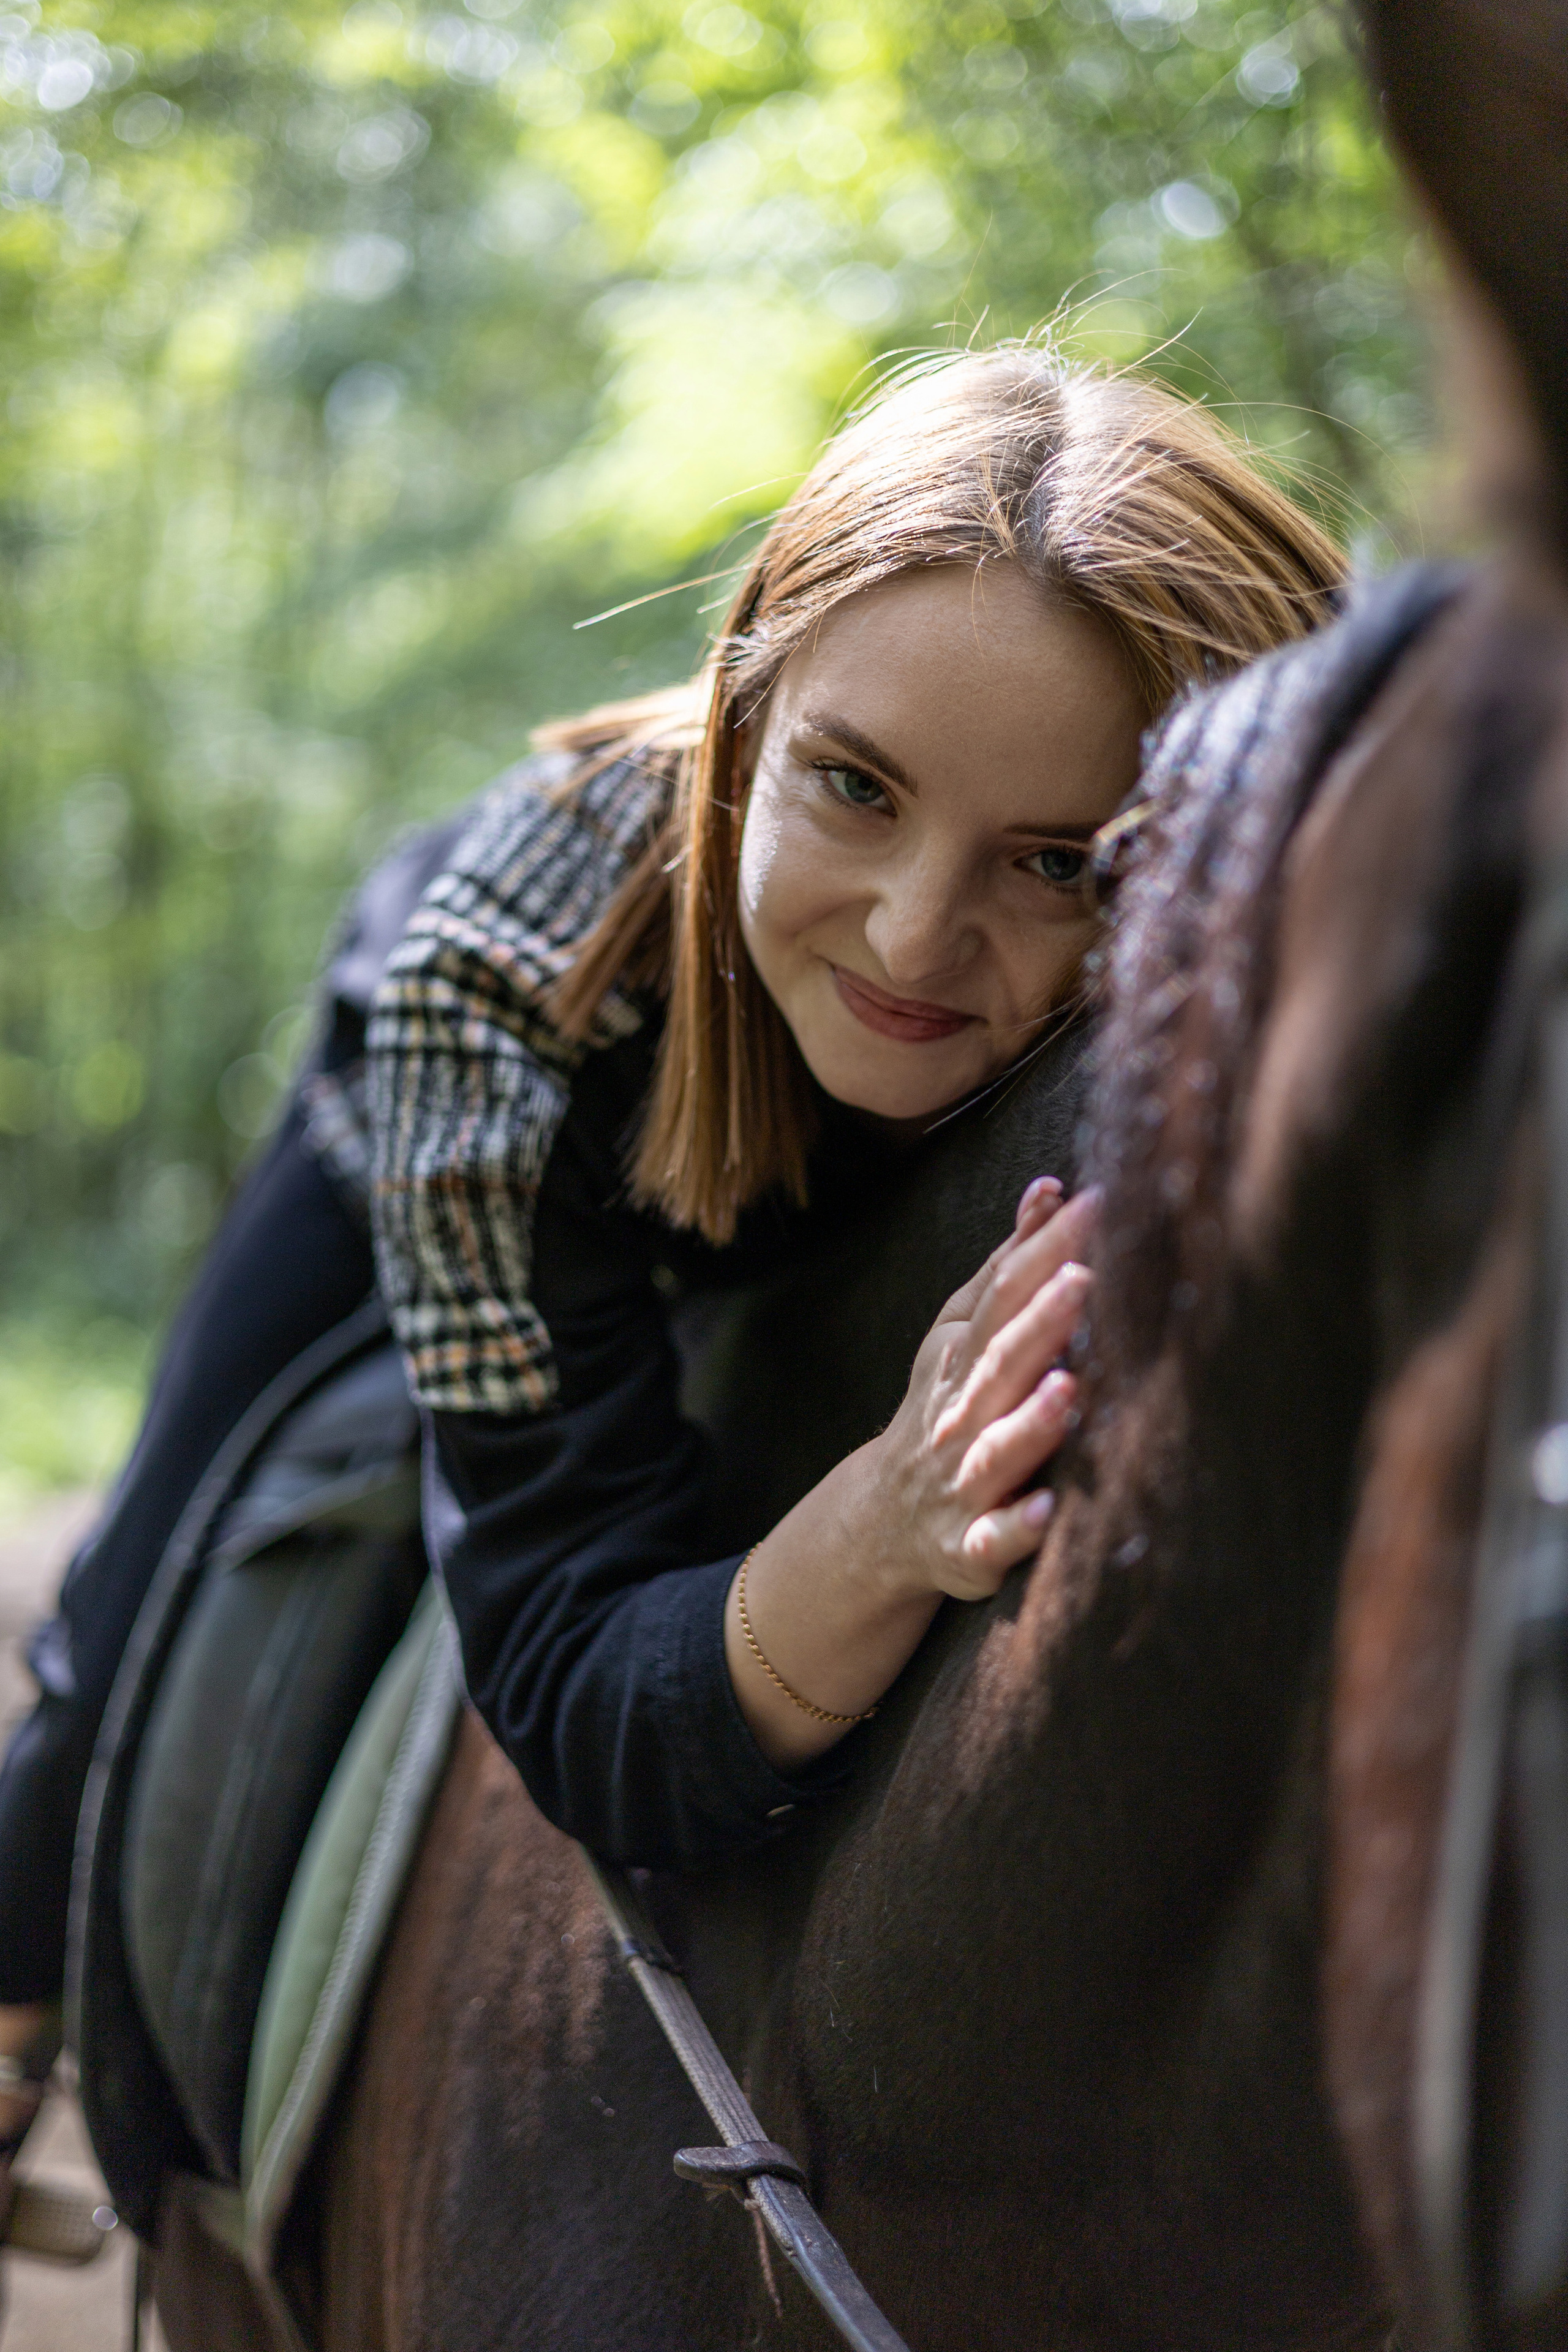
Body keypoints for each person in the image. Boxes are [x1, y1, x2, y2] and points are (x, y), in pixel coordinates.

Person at [0, 344, 1344, 2188]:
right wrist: (880, 1522)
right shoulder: (500, 999)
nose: (915, 930)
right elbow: (563, 1671)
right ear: (745, 712)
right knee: (148, 1572)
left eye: (1057, 861)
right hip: (544, 1089)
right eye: (854, 788)